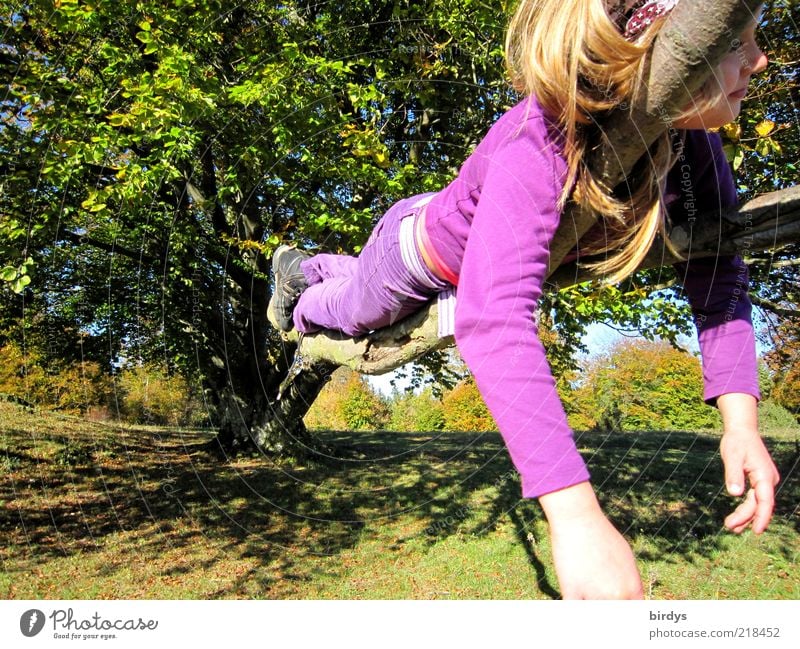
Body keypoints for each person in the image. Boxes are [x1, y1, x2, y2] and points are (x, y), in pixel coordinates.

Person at [269, 0, 781, 599]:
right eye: (734, 43)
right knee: (352, 311)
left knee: (359, 289)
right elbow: (495, 320)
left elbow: (716, 268)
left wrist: (740, 421)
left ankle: (326, 269)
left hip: (474, 253)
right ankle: (299, 284)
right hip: (413, 255)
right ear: (654, 50)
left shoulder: (690, 147)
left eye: (755, 37)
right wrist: (575, 515)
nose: (758, 60)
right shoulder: (537, 139)